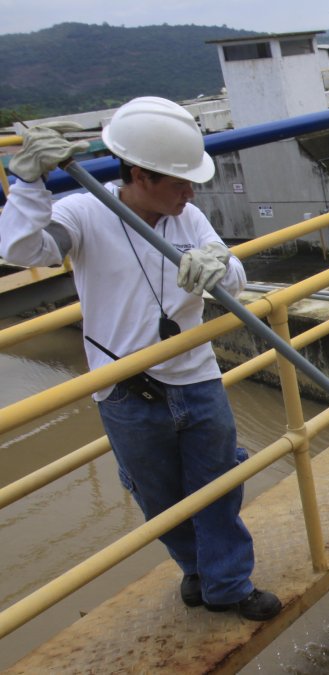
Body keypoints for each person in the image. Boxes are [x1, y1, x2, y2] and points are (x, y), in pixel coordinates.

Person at [0, 97, 281, 621]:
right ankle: (196, 569)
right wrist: (28, 185)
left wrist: (220, 264)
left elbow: (236, 277)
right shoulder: (84, 212)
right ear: (139, 174)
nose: (189, 192)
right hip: (125, 389)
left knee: (218, 485)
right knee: (159, 498)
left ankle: (228, 584)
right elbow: (23, 251)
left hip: (195, 377)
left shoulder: (189, 217)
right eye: (179, 182)